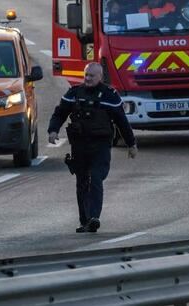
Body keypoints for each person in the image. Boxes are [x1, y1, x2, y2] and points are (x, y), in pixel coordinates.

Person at [47, 62, 138, 233]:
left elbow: (122, 121)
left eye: (92, 76)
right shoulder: (74, 93)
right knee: (82, 182)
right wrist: (53, 130)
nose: (87, 79)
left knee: (96, 178)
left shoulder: (110, 96)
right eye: (86, 75)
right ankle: (85, 221)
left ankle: (94, 217)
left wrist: (131, 144)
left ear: (100, 77)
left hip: (101, 145)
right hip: (80, 145)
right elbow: (60, 113)